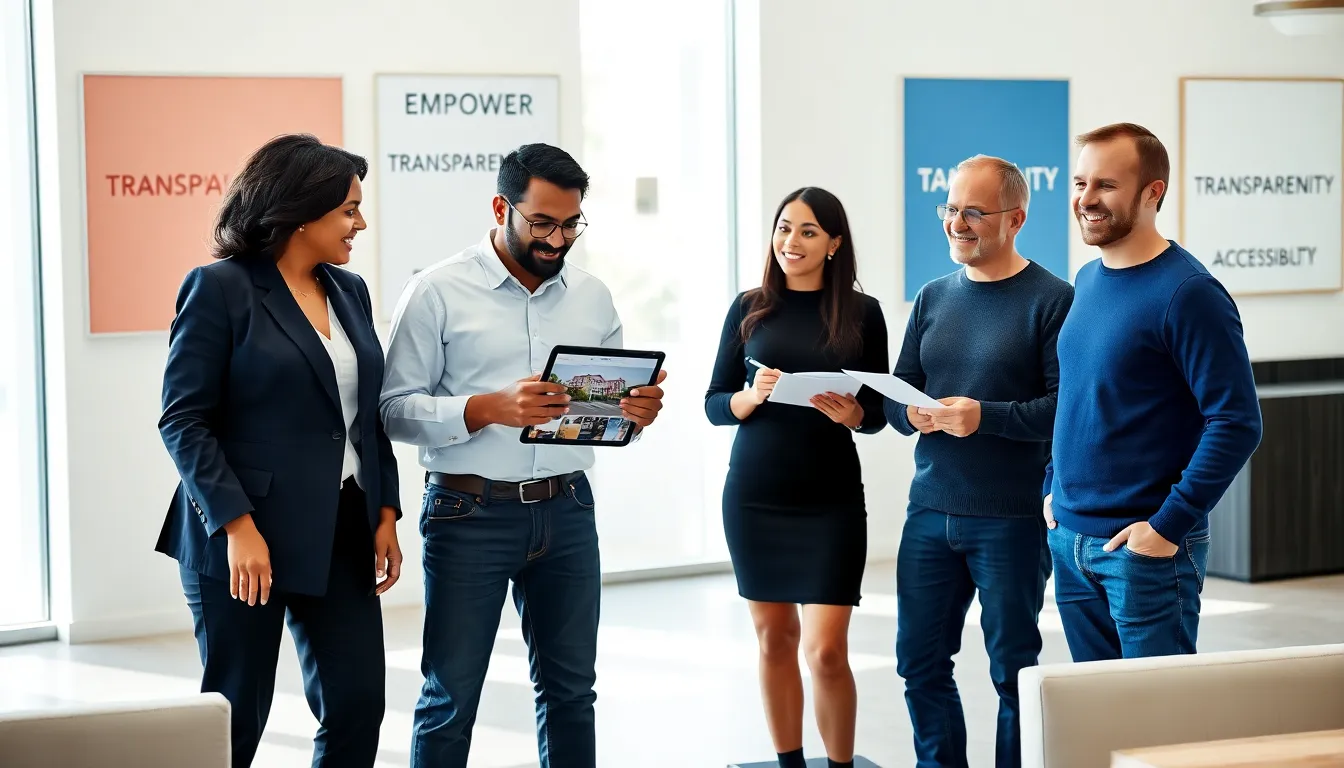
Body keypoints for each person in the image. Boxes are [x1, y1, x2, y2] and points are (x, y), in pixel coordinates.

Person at [379, 143, 668, 768]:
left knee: (571, 694)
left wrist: (634, 417)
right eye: (542, 222)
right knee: (450, 698)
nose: (557, 238)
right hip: (468, 512)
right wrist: (488, 408)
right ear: (501, 207)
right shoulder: (436, 291)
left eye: (571, 223)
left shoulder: (593, 297)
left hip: (567, 511)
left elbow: (607, 414)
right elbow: (393, 410)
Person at [156, 134, 403, 768]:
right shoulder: (220, 288)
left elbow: (363, 415)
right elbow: (184, 420)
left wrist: (384, 512)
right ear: (300, 209)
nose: (360, 222)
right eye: (348, 209)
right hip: (243, 536)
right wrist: (237, 526)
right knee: (237, 715)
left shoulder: (351, 292)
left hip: (342, 528)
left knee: (357, 704)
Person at [1046, 122, 1262, 662]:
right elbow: (1079, 397)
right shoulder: (1088, 279)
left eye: (1106, 186)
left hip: (1142, 551)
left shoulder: (1190, 294)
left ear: (1152, 192)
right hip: (1069, 539)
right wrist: (1052, 486)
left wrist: (1167, 526)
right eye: (1079, 183)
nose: (1086, 200)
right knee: (1097, 720)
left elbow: (1236, 422)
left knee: (1155, 727)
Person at [886, 155, 1073, 768]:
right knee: (918, 663)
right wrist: (908, 413)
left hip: (1010, 519)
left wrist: (984, 417)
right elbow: (899, 390)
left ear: (1015, 217)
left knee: (1013, 671)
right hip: (929, 511)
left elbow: (1064, 410)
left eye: (973, 211)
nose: (956, 223)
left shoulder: (1052, 300)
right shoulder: (932, 296)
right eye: (950, 209)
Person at [704, 187, 889, 768]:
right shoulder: (748, 307)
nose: (792, 241)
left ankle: (839, 765)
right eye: (784, 228)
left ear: (834, 243)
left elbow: (879, 413)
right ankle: (789, 763)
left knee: (828, 650)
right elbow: (713, 402)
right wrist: (748, 397)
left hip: (831, 499)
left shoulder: (863, 313)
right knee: (773, 640)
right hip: (757, 496)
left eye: (808, 231)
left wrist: (853, 413)